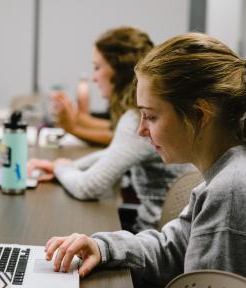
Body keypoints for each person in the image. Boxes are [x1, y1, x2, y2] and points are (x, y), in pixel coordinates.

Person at [44, 33, 246, 287]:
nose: (142, 130)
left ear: (199, 115)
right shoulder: (236, 171)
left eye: (152, 116)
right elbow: (176, 247)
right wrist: (103, 247)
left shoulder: (233, 193)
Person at [29, 27, 189, 233]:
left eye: (97, 67)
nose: (94, 77)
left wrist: (61, 168)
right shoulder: (140, 115)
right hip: (159, 232)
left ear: (117, 70)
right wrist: (65, 166)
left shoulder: (136, 119)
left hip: (153, 237)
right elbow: (114, 152)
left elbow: (88, 187)